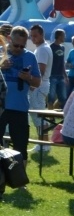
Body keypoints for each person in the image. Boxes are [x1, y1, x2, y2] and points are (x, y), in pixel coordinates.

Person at [0, 26, 41, 163]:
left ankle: (20, 182)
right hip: (1, 107)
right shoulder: (0, 52)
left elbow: (37, 83)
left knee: (20, 147)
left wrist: (28, 78)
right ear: (9, 39)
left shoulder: (30, 56)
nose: (18, 49)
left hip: (19, 107)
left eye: (22, 46)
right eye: (16, 45)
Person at [28, 24, 53, 149]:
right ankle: (42, 143)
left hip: (39, 85)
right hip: (42, 84)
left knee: (39, 115)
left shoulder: (42, 49)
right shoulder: (42, 48)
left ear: (42, 35)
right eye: (31, 36)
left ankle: (44, 144)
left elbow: (41, 70)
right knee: (38, 115)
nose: (33, 38)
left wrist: (33, 85)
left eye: (35, 36)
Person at [48, 29, 67, 108]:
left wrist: (65, 76)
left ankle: (54, 110)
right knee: (51, 96)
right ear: (59, 36)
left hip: (60, 75)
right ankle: (49, 114)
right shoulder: (50, 47)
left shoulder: (62, 48)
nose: (64, 38)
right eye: (63, 36)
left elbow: (62, 62)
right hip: (52, 75)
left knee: (63, 97)